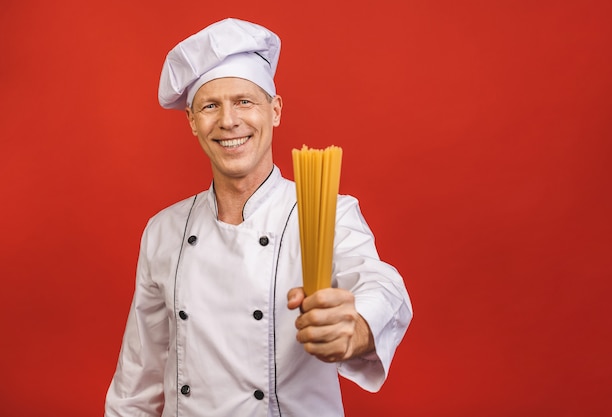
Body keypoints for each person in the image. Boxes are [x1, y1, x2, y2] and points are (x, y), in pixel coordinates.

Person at [104, 17, 412, 417]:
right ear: (193, 122)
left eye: (244, 101)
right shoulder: (164, 230)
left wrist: (356, 327)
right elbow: (136, 384)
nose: (229, 121)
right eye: (210, 106)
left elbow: (383, 286)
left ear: (275, 110)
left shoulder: (326, 211)